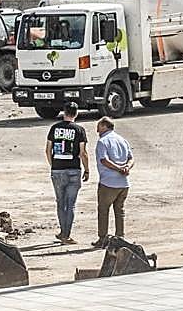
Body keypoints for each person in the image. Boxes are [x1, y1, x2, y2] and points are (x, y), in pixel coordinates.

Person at [45, 101, 89, 245]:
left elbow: (48, 150)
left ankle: (63, 232)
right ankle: (66, 234)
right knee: (70, 204)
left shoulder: (54, 128)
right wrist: (87, 169)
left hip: (57, 170)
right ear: (76, 113)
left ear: (64, 112)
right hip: (73, 170)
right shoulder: (79, 130)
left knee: (60, 202)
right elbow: (83, 153)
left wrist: (54, 166)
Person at [92, 116, 134, 248]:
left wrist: (119, 168)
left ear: (104, 126)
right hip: (124, 183)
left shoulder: (103, 141)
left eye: (99, 126)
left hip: (109, 183)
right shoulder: (122, 140)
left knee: (103, 210)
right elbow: (131, 158)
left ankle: (103, 239)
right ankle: (120, 238)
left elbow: (103, 160)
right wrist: (126, 167)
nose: (97, 129)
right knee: (119, 210)